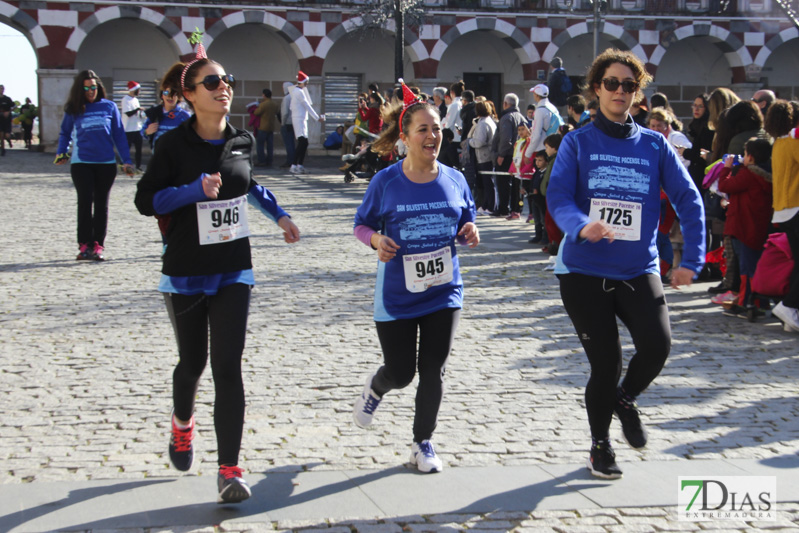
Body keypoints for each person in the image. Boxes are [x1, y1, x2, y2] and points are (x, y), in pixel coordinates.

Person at [134, 43, 301, 504]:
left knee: (228, 367)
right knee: (193, 364)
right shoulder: (172, 144)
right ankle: (182, 424)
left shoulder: (241, 139)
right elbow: (146, 201)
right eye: (212, 82)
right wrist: (193, 190)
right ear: (188, 94)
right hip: (185, 271)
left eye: (225, 81)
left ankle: (229, 469)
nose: (223, 88)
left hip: (233, 269)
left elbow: (251, 184)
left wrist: (281, 216)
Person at [547, 48, 705, 480]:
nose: (620, 91)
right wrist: (581, 225)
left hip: (638, 269)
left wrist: (692, 259)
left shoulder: (655, 145)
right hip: (583, 272)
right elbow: (558, 196)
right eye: (612, 83)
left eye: (629, 85)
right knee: (607, 363)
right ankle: (600, 445)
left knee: (658, 345)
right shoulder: (578, 142)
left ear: (638, 94)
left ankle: (624, 399)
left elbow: (690, 200)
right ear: (597, 88)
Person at [352, 80, 479, 474]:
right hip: (397, 294)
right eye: (422, 129)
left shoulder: (455, 178)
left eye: (437, 128)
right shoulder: (386, 181)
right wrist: (375, 240)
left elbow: (467, 217)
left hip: (444, 290)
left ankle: (422, 442)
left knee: (433, 369)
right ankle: (377, 386)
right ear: (404, 138)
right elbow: (361, 224)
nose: (432, 135)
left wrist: (471, 230)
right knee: (402, 372)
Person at [56, 69, 133, 261]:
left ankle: (98, 245)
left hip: (106, 164)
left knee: (101, 204)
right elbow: (65, 132)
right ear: (79, 90)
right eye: (86, 88)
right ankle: (84, 245)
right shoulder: (74, 108)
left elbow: (119, 135)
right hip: (82, 163)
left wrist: (126, 161)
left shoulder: (109, 107)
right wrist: (61, 151)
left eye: (94, 87)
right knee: (84, 202)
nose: (91, 91)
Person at [716, 138, 773, 317]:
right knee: (755, 266)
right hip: (758, 227)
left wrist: (727, 167)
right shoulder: (766, 175)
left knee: (746, 268)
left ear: (751, 156)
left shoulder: (748, 174)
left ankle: (746, 302)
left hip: (742, 227)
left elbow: (724, 185)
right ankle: (757, 302)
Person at [764, 100, 799, 332]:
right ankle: (788, 305)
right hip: (795, 206)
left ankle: (792, 313)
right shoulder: (792, 143)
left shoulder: (777, 144)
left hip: (783, 209)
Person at [490, 93, 526, 217]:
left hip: (506, 156)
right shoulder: (522, 117)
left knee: (503, 183)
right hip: (518, 154)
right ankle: (515, 208)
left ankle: (503, 208)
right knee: (516, 184)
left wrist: (501, 154)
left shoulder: (506, 118)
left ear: (505, 104)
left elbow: (506, 138)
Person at [142, 65, 193, 149]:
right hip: (158, 159)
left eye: (174, 93)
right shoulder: (154, 114)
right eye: (166, 93)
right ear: (162, 95)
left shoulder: (185, 116)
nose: (170, 96)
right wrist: (147, 131)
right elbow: (143, 134)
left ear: (179, 96)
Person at [289, 70, 324, 174]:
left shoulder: (297, 91)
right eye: (306, 82)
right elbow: (307, 106)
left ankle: (299, 165)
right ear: (303, 82)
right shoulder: (299, 92)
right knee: (302, 142)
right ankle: (294, 165)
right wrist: (317, 118)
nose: (307, 84)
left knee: (304, 143)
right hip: (299, 119)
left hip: (301, 118)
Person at [470, 99, 498, 215]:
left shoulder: (482, 124)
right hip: (487, 155)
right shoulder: (488, 121)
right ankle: (486, 204)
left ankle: (490, 206)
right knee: (487, 183)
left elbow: (479, 142)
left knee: (487, 183)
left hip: (484, 156)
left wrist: (470, 141)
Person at [524, 84, 563, 161]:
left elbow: (537, 134)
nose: (533, 95)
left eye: (534, 93)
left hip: (542, 148)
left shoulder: (539, 111)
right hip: (553, 146)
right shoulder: (552, 107)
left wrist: (528, 153)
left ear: (537, 95)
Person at [121, 81, 145, 171]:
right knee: (126, 149)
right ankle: (123, 165)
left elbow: (137, 113)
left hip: (137, 128)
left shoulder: (136, 100)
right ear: (133, 90)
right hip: (128, 129)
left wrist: (142, 114)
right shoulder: (125, 99)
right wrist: (138, 109)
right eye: (138, 90)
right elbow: (128, 113)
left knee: (139, 149)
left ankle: (138, 166)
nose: (139, 92)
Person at [254, 88, 280, 167]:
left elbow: (256, 113)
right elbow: (277, 113)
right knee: (270, 145)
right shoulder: (275, 104)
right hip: (271, 127)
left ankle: (261, 160)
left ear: (264, 95)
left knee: (260, 145)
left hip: (263, 127)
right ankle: (269, 160)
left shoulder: (263, 104)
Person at [279, 81, 295, 168]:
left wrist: (282, 123)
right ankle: (293, 160)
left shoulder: (286, 98)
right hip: (294, 123)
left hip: (287, 123)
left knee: (288, 143)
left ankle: (290, 161)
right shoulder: (294, 97)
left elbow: (285, 112)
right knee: (292, 143)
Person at [0, 84, 15, 156]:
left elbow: (14, 106)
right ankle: (3, 150)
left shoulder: (7, 99)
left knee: (7, 135)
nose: (1, 90)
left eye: (2, 89)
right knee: (1, 135)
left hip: (7, 119)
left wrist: (8, 112)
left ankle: (9, 140)